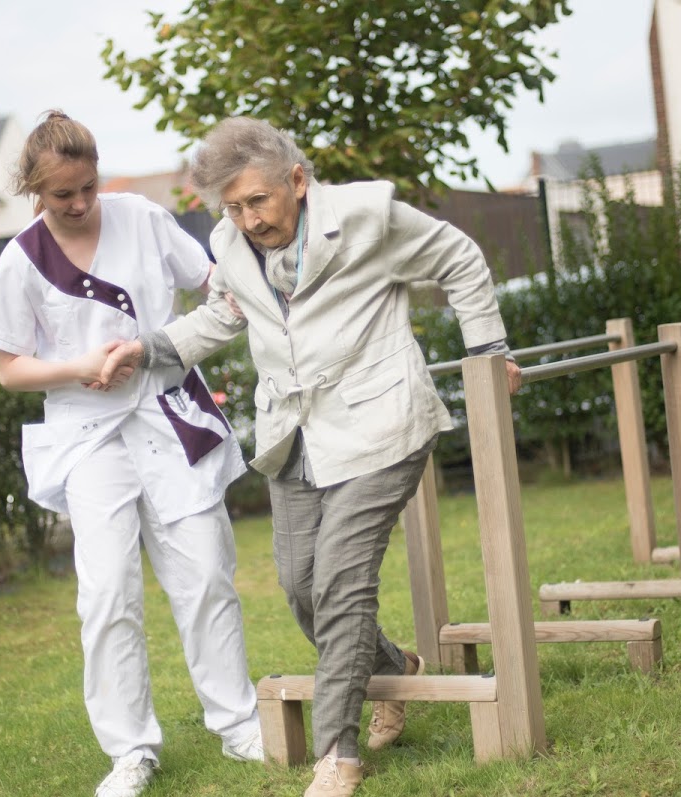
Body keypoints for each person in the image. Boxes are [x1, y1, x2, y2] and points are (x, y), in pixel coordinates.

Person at [99, 117, 521, 797]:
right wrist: (146, 349)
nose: (246, 218)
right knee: (301, 587)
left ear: (296, 180)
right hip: (294, 436)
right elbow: (221, 317)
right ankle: (395, 666)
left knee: (341, 582)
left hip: (381, 425)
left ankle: (337, 753)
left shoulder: (366, 218)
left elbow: (459, 259)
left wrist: (487, 348)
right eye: (232, 207)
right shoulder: (231, 242)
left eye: (257, 201)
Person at [0, 110, 263, 797]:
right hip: (88, 436)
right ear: (34, 192)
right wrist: (79, 366)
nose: (77, 204)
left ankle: (239, 722)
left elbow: (216, 283)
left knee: (206, 573)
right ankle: (131, 749)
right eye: (61, 195)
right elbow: (11, 368)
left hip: (169, 417)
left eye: (86, 188)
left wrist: (171, 345)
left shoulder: (139, 215)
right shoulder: (20, 260)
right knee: (106, 594)